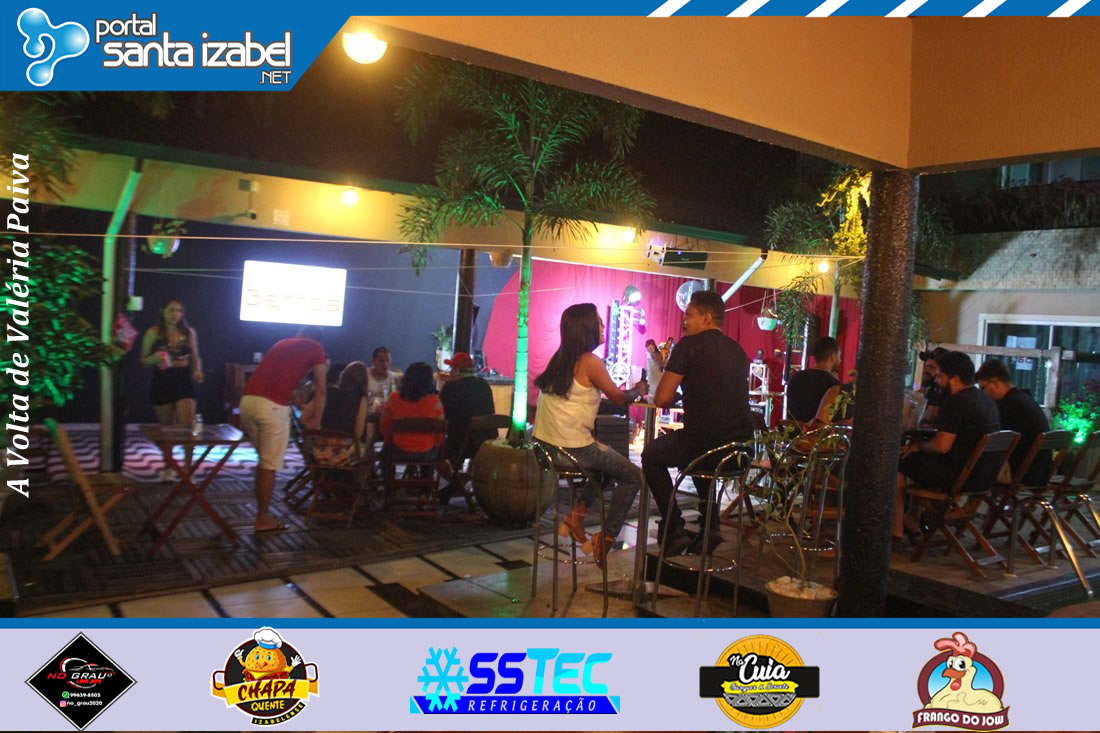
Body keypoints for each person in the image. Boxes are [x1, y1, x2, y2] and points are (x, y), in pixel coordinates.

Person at [533, 303, 647, 568]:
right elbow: (618, 398)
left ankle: (576, 515)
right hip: (570, 451)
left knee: (609, 460)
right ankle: (605, 539)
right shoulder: (589, 361)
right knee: (633, 476)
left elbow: (570, 407)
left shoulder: (560, 359)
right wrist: (639, 390)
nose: (604, 326)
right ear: (587, 328)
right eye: (599, 321)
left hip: (545, 448)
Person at [643, 289, 755, 556]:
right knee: (701, 447)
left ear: (706, 318)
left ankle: (673, 527)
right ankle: (710, 526)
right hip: (741, 451)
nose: (684, 321)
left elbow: (662, 399)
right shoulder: (738, 351)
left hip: (704, 449)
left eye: (689, 315)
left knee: (651, 455)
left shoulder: (688, 346)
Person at [895, 350, 1000, 542]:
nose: (937, 380)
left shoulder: (957, 401)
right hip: (984, 477)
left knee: (897, 460)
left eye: (941, 376)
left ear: (955, 378)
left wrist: (918, 446)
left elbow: (942, 446)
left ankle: (896, 528)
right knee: (916, 461)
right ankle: (912, 518)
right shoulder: (985, 400)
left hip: (958, 477)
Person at [240, 326, 327, 532]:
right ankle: (262, 519)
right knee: (269, 465)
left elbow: (273, 380)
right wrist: (317, 423)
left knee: (264, 463)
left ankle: (262, 514)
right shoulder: (316, 348)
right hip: (271, 408)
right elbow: (321, 389)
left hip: (248, 402)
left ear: (300, 333)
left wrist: (296, 401)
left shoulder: (281, 343)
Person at [140, 297, 204, 482]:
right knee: (166, 429)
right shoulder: (153, 332)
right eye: (172, 310)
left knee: (188, 428)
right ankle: (168, 467)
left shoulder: (188, 332)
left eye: (179, 311)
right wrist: (154, 358)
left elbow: (195, 356)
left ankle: (188, 469)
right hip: (162, 379)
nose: (176, 314)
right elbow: (143, 360)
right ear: (163, 311)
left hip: (183, 379)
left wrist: (197, 371)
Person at [976, 358, 1051, 486]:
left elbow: (988, 438)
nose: (982, 394)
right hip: (1040, 471)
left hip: (1020, 473)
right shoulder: (1026, 399)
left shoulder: (1006, 406)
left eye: (982, 388)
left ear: (995, 383)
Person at [379, 361, 446, 498]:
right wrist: (436, 445)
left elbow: (385, 426)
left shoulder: (394, 398)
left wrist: (388, 441)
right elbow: (439, 430)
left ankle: (389, 490)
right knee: (431, 453)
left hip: (398, 450)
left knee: (384, 454)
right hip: (427, 453)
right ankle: (425, 491)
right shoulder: (435, 401)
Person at [438, 352, 496, 503]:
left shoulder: (450, 388)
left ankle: (456, 484)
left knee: (434, 449)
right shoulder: (484, 386)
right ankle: (464, 483)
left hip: (460, 444)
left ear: (457, 371)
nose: (450, 373)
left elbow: (440, 417)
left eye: (451, 369)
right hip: (486, 444)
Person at [786, 336, 841, 425]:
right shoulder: (833, 385)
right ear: (833, 356)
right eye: (839, 356)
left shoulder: (795, 378)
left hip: (792, 432)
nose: (840, 360)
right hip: (815, 433)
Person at [321, 361, 369, 444]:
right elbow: (358, 433)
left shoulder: (328, 391)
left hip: (323, 446)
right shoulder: (361, 398)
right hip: (345, 448)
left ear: (344, 375)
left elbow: (305, 419)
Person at [918, 346, 949, 425]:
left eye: (931, 367)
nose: (925, 370)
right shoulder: (932, 389)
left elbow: (929, 417)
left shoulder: (943, 391)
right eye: (926, 365)